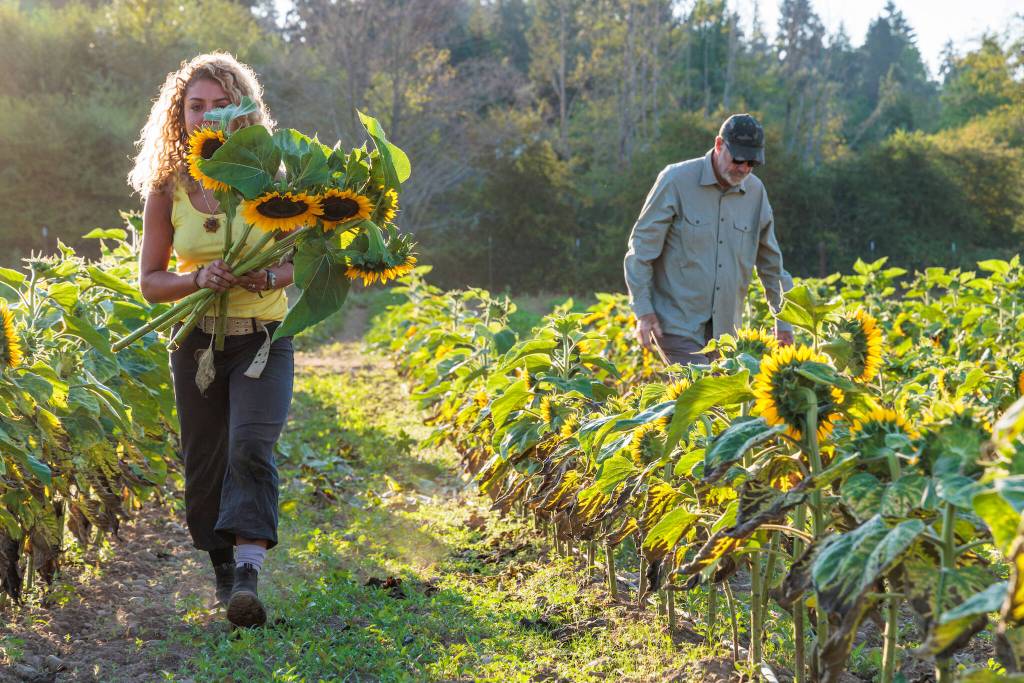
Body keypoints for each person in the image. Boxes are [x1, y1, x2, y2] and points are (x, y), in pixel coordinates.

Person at [129, 53, 294, 628]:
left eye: (220, 106)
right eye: (196, 106)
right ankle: (223, 571)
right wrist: (196, 278)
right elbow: (151, 282)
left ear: (243, 112)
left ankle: (248, 573)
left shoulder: (273, 180)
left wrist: (266, 276)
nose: (207, 117)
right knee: (204, 464)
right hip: (195, 341)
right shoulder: (167, 188)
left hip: (264, 338)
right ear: (180, 114)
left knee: (250, 445)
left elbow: (305, 257)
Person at [623, 113, 794, 365]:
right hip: (676, 324)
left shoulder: (756, 193)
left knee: (720, 402)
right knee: (703, 398)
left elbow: (772, 266)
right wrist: (644, 311)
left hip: (726, 334)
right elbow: (640, 250)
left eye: (752, 163)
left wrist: (784, 322)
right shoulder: (676, 181)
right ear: (718, 145)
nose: (744, 168)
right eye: (737, 159)